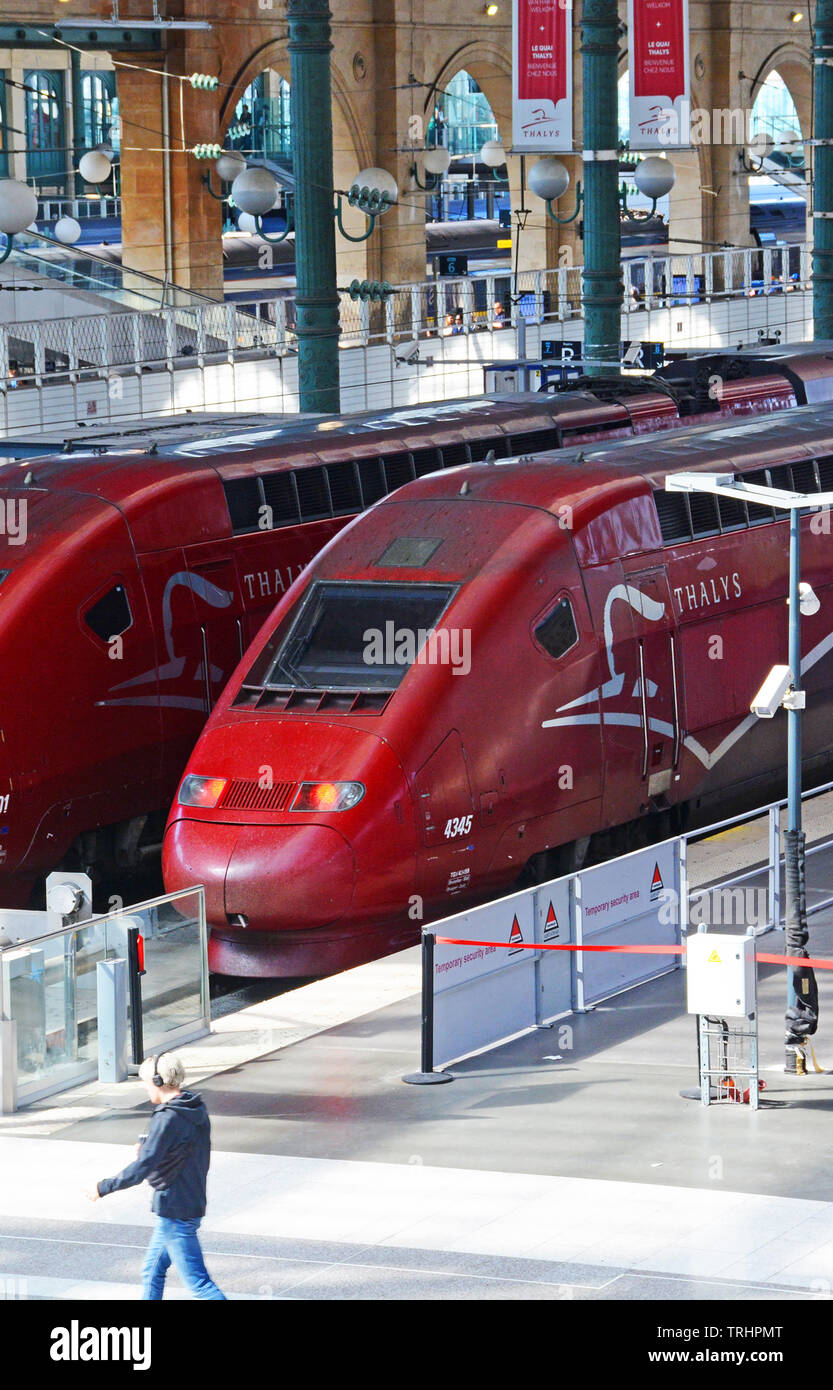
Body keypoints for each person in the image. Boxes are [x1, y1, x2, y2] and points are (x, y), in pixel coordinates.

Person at [86, 1052, 226, 1301]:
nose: (145, 1087)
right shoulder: (194, 1108)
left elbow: (143, 1168)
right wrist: (153, 1151)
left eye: (146, 1081)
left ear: (158, 1081)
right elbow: (182, 1153)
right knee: (151, 1270)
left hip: (176, 1211)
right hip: (186, 1204)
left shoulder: (168, 1118)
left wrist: (104, 1186)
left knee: (200, 1286)